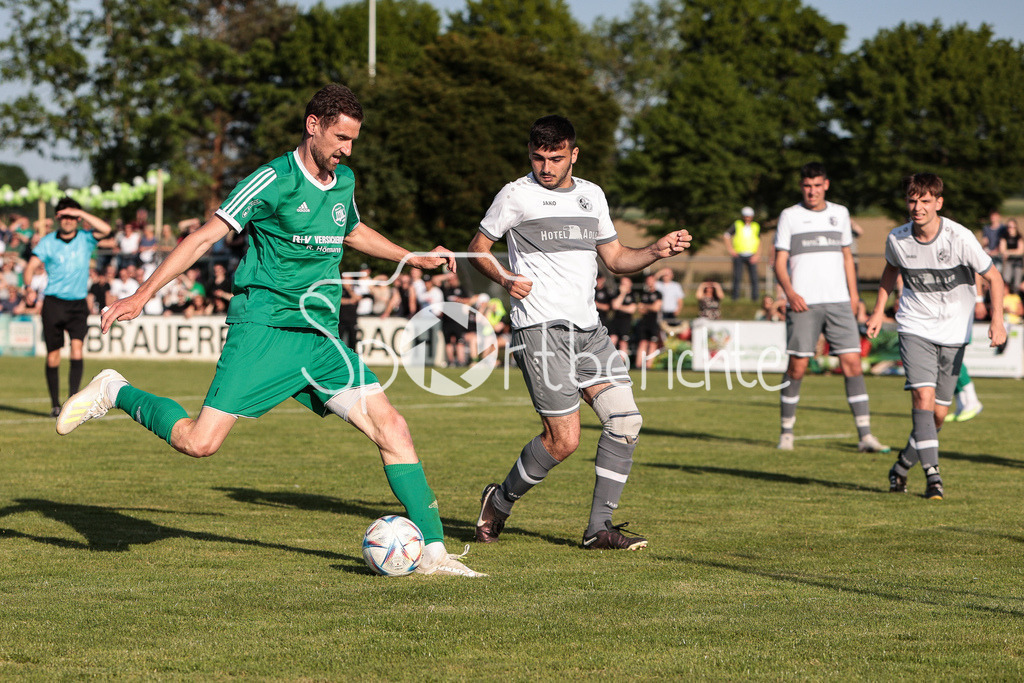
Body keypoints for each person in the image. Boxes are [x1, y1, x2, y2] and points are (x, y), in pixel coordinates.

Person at [56, 83, 484, 577]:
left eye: (354, 141)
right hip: (264, 328)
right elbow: (202, 238)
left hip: (320, 337)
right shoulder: (271, 179)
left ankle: (434, 554)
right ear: (313, 126)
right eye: (341, 138)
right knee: (199, 442)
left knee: (393, 428)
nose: (347, 150)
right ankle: (116, 389)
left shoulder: (342, 181)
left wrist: (412, 255)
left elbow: (350, 230)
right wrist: (142, 294)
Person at [468, 114, 691, 550]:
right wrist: (506, 278)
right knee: (564, 440)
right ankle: (499, 501)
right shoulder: (516, 195)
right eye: (537, 158)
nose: (545, 167)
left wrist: (654, 251)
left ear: (574, 154)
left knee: (626, 421)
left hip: (588, 330)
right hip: (539, 329)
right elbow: (478, 250)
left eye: (555, 158)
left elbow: (616, 258)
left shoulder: (593, 196)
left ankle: (598, 530)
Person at [866, 173, 1005, 500]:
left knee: (938, 414)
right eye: (912, 200)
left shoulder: (960, 237)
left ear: (938, 203)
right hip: (915, 326)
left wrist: (997, 320)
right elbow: (890, 270)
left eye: (925, 201)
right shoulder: (897, 239)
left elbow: (995, 277)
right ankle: (934, 478)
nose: (917, 207)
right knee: (922, 401)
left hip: (955, 332)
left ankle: (901, 467)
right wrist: (877, 310)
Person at [773, 162, 888, 453]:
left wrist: (855, 296)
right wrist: (790, 293)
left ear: (826, 185)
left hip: (839, 302)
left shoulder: (841, 213)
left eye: (817, 185)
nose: (812, 191)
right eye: (807, 186)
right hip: (803, 303)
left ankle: (865, 435)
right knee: (797, 367)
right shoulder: (789, 216)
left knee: (852, 364)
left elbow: (848, 258)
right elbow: (778, 262)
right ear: (802, 186)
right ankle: (786, 432)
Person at [21, 198, 113, 417]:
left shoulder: (85, 238)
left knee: (77, 349)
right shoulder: (47, 241)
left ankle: (72, 402)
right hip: (53, 303)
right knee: (53, 355)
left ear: (78, 218)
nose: (69, 220)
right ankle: (54, 404)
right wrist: (28, 287)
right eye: (65, 216)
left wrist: (79, 211)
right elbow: (31, 266)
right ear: (57, 218)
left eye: (73, 216)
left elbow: (106, 229)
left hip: (78, 304)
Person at [724, 206, 761, 300]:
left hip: (751, 255)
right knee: (737, 277)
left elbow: (759, 241)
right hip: (739, 254)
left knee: (754, 278)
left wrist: (757, 254)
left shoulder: (756, 226)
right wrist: (731, 249)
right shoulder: (737, 224)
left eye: (749, 216)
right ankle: (735, 297)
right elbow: (726, 235)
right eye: (746, 216)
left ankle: (755, 298)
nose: (747, 218)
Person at [633, 274, 662, 369]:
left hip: (654, 322)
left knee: (653, 343)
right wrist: (650, 307)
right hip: (644, 322)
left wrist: (646, 306)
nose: (650, 282)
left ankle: (649, 365)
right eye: (648, 280)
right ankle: (638, 365)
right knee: (642, 343)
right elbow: (640, 309)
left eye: (651, 280)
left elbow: (656, 308)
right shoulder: (644, 294)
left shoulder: (658, 294)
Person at [999, 218, 1023, 292]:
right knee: (1006, 280)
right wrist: (1013, 251)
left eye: (1013, 227)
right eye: (1009, 227)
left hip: (1018, 262)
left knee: (1017, 283)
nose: (1011, 229)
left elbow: (1021, 251)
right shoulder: (1004, 237)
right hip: (1008, 262)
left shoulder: (1019, 237)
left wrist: (1008, 252)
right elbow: (1002, 250)